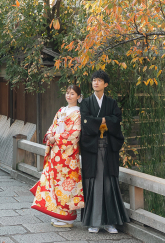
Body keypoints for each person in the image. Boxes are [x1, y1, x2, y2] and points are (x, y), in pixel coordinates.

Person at [80, 70, 129, 233]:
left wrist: (101, 121)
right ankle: (93, 222)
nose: (96, 83)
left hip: (108, 148)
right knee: (93, 183)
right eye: (94, 80)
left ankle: (110, 222)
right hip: (92, 149)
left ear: (105, 84)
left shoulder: (112, 103)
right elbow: (85, 122)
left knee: (109, 183)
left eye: (99, 80)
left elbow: (117, 120)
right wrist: (105, 121)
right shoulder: (86, 102)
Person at [30, 85, 86, 228]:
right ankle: (58, 213)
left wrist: (57, 138)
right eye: (67, 93)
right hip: (56, 153)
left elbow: (75, 133)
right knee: (55, 183)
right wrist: (49, 135)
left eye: (72, 93)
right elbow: (52, 126)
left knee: (67, 185)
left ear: (79, 97)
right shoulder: (61, 110)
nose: (69, 96)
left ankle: (68, 217)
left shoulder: (79, 113)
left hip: (68, 156)